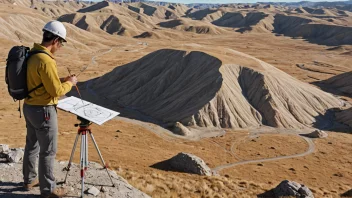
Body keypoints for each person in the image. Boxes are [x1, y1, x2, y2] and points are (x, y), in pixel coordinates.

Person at [22, 20, 77, 198]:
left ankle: (29, 179)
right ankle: (49, 191)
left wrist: (61, 79)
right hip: (44, 111)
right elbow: (56, 91)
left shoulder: (33, 54)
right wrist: (70, 83)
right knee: (48, 151)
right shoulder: (46, 60)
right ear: (55, 41)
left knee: (32, 145)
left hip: (30, 107)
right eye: (61, 43)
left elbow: (42, 82)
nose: (60, 47)